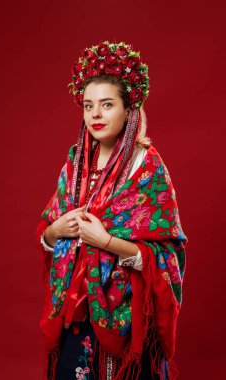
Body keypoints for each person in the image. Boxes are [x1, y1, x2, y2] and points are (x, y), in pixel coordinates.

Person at [36, 41, 188, 380]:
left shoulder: (147, 168)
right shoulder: (76, 162)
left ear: (128, 109)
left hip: (128, 314)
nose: (96, 114)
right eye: (89, 105)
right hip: (76, 313)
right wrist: (55, 231)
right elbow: (48, 230)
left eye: (107, 104)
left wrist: (105, 241)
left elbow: (168, 252)